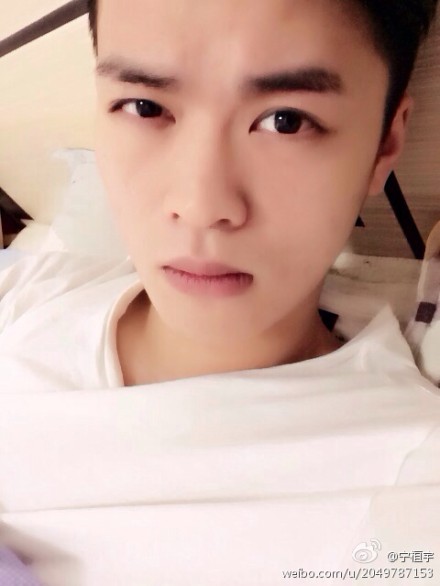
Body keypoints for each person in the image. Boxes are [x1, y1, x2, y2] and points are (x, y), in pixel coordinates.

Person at [0, 1, 440, 585]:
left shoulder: (407, 487)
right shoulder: (29, 291)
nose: (201, 206)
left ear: (386, 142)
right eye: (145, 106)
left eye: (286, 120)